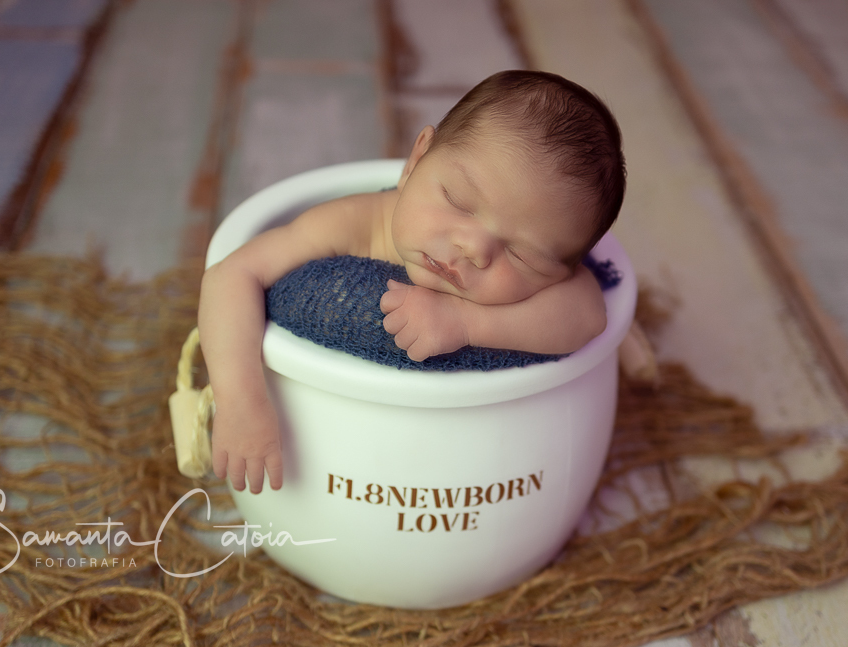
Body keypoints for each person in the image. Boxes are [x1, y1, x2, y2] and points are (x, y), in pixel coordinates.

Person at [198, 70, 627, 493]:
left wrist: (466, 323)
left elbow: (589, 314)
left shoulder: (556, 282)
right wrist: (241, 404)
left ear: (566, 268)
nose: (473, 249)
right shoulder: (349, 223)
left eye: (521, 254)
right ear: (417, 159)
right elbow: (233, 274)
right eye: (458, 201)